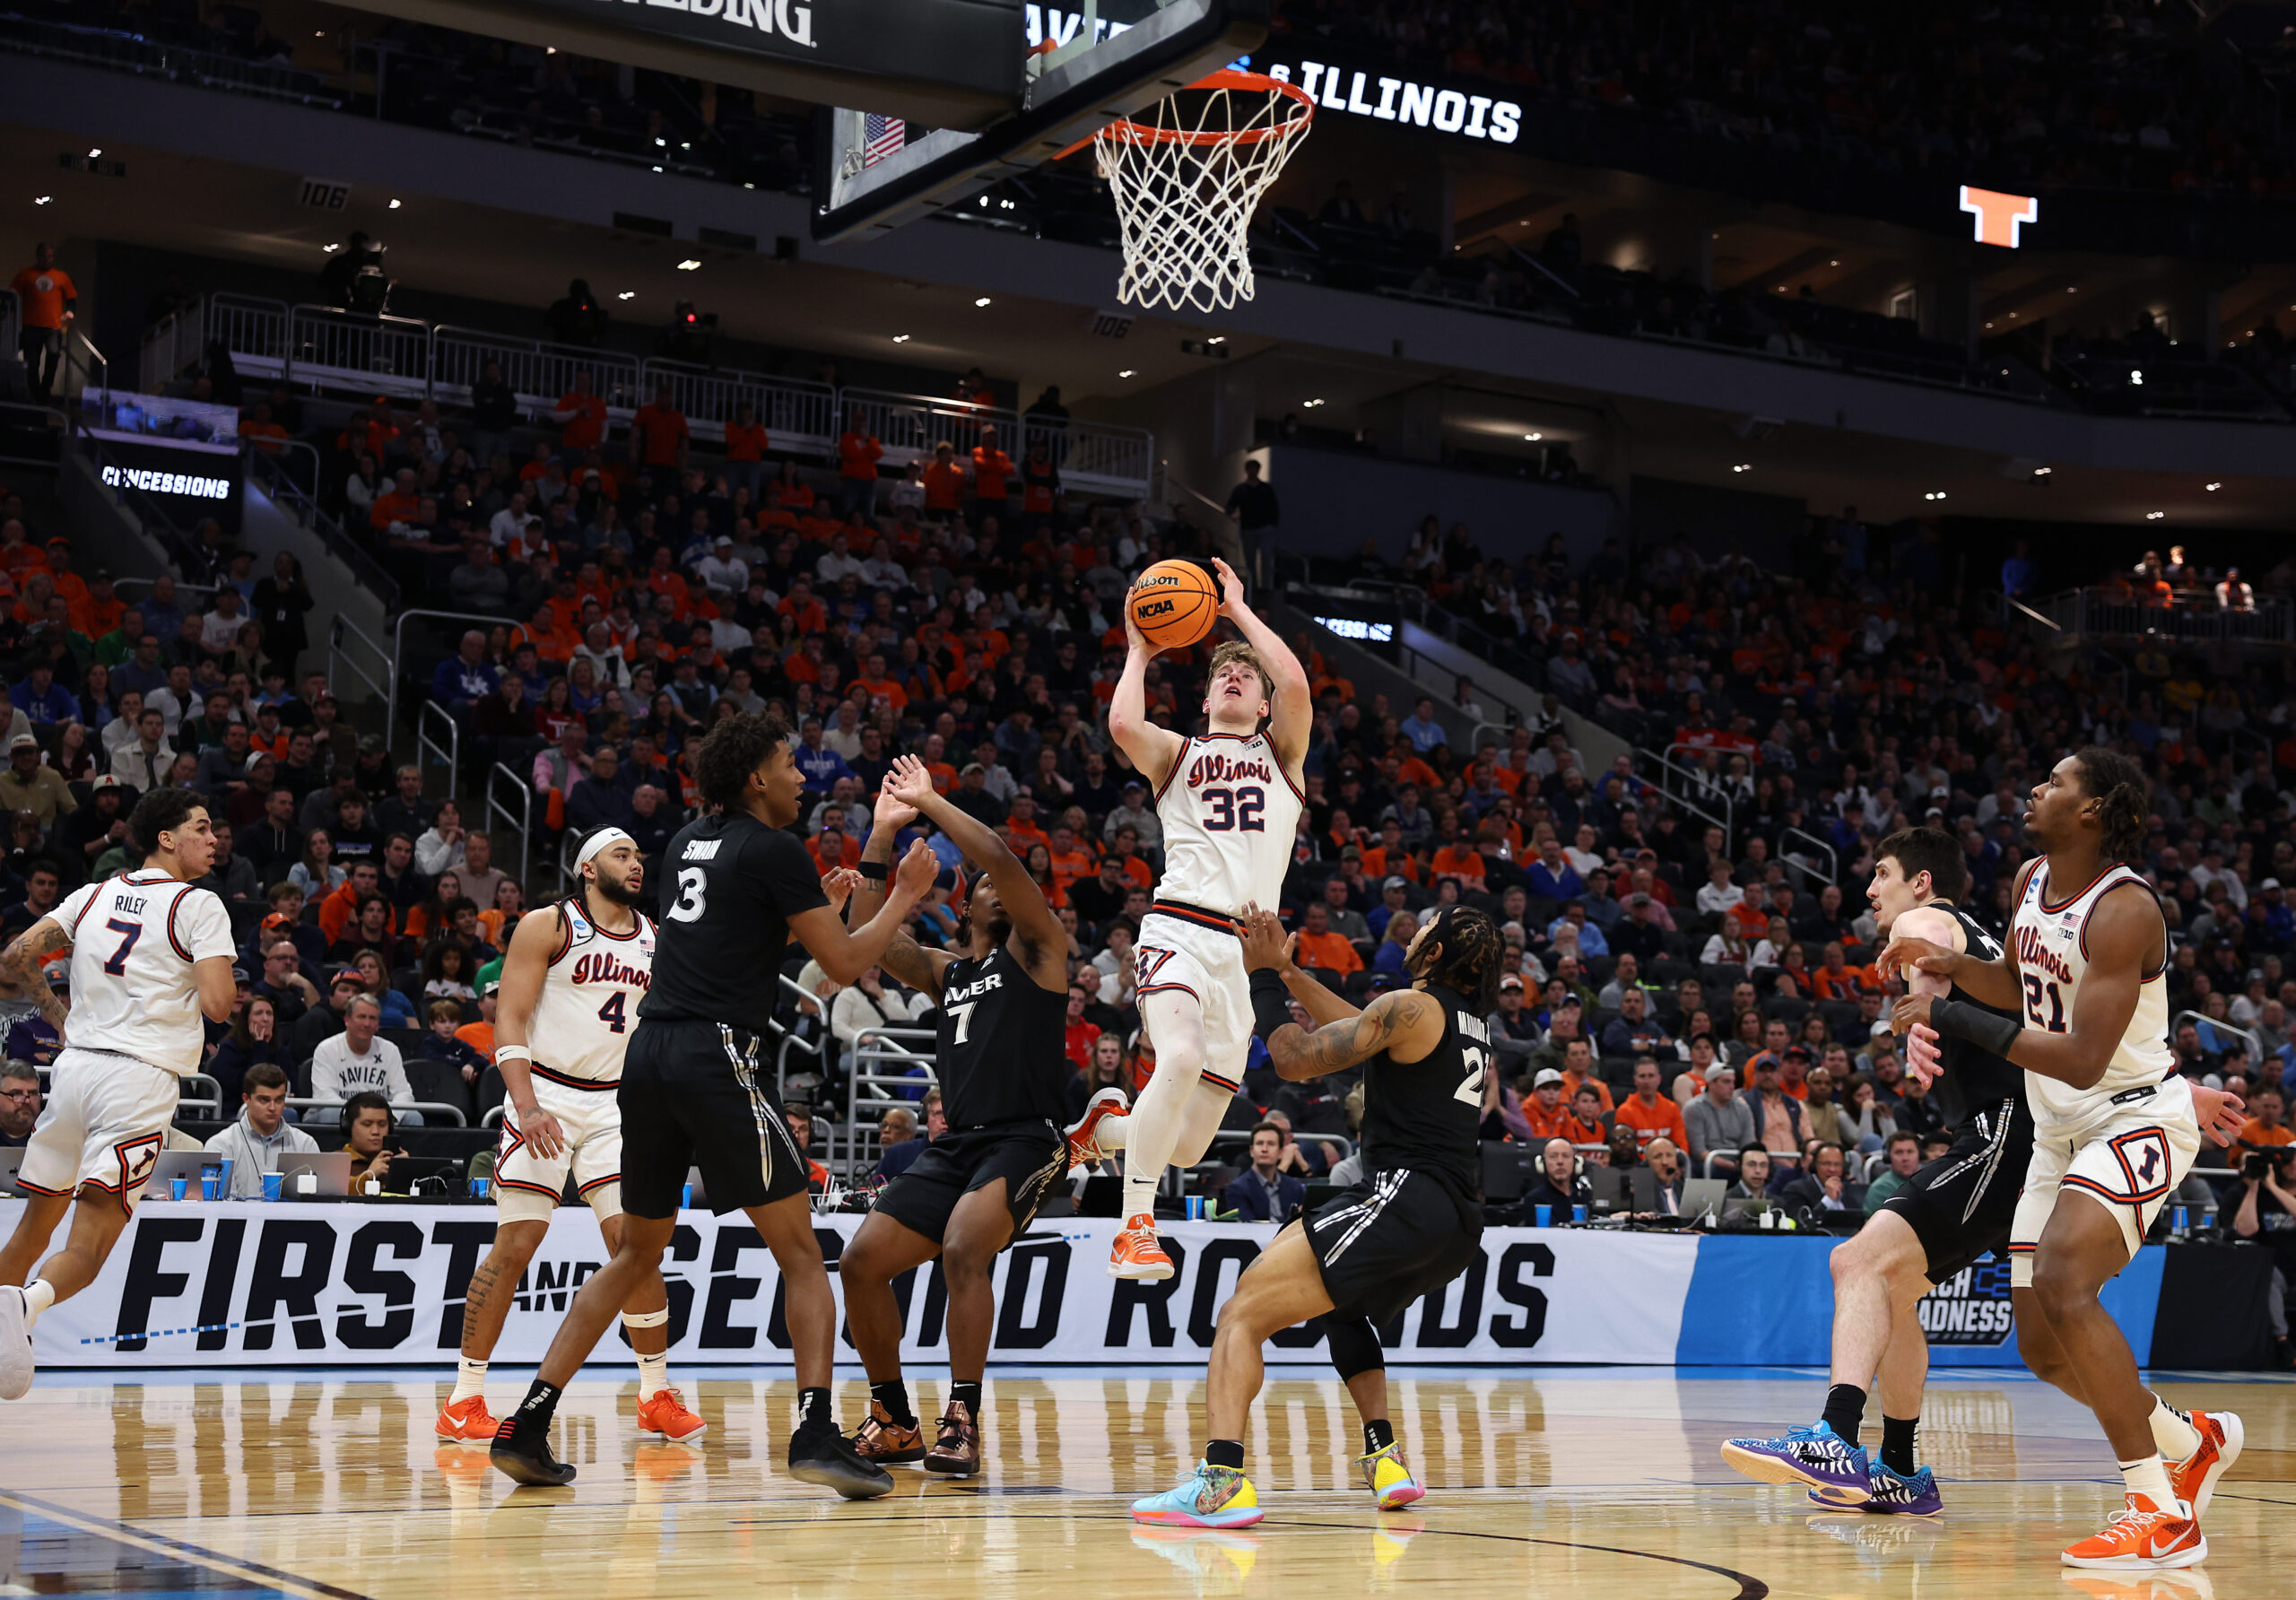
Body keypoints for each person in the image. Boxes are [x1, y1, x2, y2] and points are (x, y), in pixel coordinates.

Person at [489, 711, 935, 1497]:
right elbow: (840, 963)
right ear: (757, 778)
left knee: (634, 1253)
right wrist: (901, 896)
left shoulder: (688, 844)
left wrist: (831, 888)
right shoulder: (773, 850)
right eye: (790, 764)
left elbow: (736, 944)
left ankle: (526, 1420)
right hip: (716, 1052)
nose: (805, 776)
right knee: (802, 1255)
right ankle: (816, 1434)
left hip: (651, 1056)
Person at [1883, 752, 2245, 1570]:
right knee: (2043, 1348)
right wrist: (1951, 969)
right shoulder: (2031, 880)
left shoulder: (2126, 911)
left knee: (2063, 1280)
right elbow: (2018, 988)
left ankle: (2160, 1511)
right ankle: (2192, 1443)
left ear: (2096, 810)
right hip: (2057, 1134)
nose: (2036, 790)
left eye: (2055, 783)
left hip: (2131, 1117)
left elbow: (2082, 1058)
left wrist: (1949, 1011)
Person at [1131, 904, 1500, 1527]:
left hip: (1404, 1196)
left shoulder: (1410, 1007)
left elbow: (1295, 1056)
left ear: (1435, 955)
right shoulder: (1464, 1023)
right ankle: (1386, 1459)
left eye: (1425, 927)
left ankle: (1220, 1482)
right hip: (1455, 1217)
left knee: (1241, 1315)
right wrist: (1290, 967)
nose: (1415, 930)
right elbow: (1364, 1028)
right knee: (1341, 1304)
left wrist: (1263, 978)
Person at [839, 754, 1085, 1476]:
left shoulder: (1040, 955)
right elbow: (867, 943)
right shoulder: (950, 971)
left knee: (961, 1249)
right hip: (958, 1146)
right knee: (859, 1263)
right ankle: (893, 1418)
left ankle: (963, 1415)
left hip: (1026, 1138)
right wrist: (882, 837)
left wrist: (931, 802)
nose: (1000, 891)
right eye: (982, 888)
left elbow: (1003, 859)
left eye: (1005, 887)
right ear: (965, 906)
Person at [436, 830, 700, 1448]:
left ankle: (655, 1392)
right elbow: (511, 1017)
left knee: (635, 1247)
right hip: (546, 1094)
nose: (636, 865)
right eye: (621, 854)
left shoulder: (656, 937)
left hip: (616, 1104)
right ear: (587, 866)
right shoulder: (549, 925)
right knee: (516, 1244)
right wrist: (525, 1105)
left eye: (638, 857)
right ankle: (464, 1398)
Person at [1098, 557, 1308, 1281]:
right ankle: (1134, 1228)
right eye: (1223, 672)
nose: (1234, 678)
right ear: (1207, 693)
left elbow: (1300, 684)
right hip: (1179, 932)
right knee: (1178, 1059)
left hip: (1244, 961)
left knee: (1184, 1144)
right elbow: (1124, 721)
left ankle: (1108, 1130)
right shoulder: (1178, 755)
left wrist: (1239, 613)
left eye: (1246, 677)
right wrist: (1138, 649)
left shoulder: (1284, 757)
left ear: (1263, 704)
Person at [0, 787, 236, 1398]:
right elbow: (217, 1004)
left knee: (31, 1232)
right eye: (203, 827)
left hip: (74, 1069)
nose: (215, 838)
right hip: (138, 1079)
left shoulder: (95, 893)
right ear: (167, 838)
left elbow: (15, 956)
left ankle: (8, 1303)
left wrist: (57, 1015)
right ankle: (24, 1307)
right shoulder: (198, 905)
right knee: (92, 1244)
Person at [203, 1063, 317, 1197]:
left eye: (279, 1100)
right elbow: (223, 1205)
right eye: (264, 1100)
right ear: (246, 1099)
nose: (273, 1107)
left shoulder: (305, 1144)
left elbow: (314, 1201)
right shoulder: (221, 1145)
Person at [11, 245, 75, 404]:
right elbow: (12, 294)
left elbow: (71, 298)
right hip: (31, 325)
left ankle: (46, 389)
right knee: (32, 362)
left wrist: (70, 311)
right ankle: (35, 394)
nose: (48, 260)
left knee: (54, 354)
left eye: (51, 257)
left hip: (53, 327)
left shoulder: (61, 276)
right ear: (38, 257)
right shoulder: (26, 274)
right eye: (45, 257)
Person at [1225, 1122, 1306, 1222]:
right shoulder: (1236, 1189)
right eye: (1259, 1143)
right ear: (1251, 1151)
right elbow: (1248, 1227)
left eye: (1271, 1144)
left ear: (1281, 1152)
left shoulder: (1295, 1187)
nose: (1264, 1149)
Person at [1521, 1135, 1590, 1215]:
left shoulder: (1584, 1197)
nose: (1560, 1162)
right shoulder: (1534, 1199)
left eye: (1565, 1156)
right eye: (1553, 1156)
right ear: (1542, 1163)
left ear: (1576, 1163)